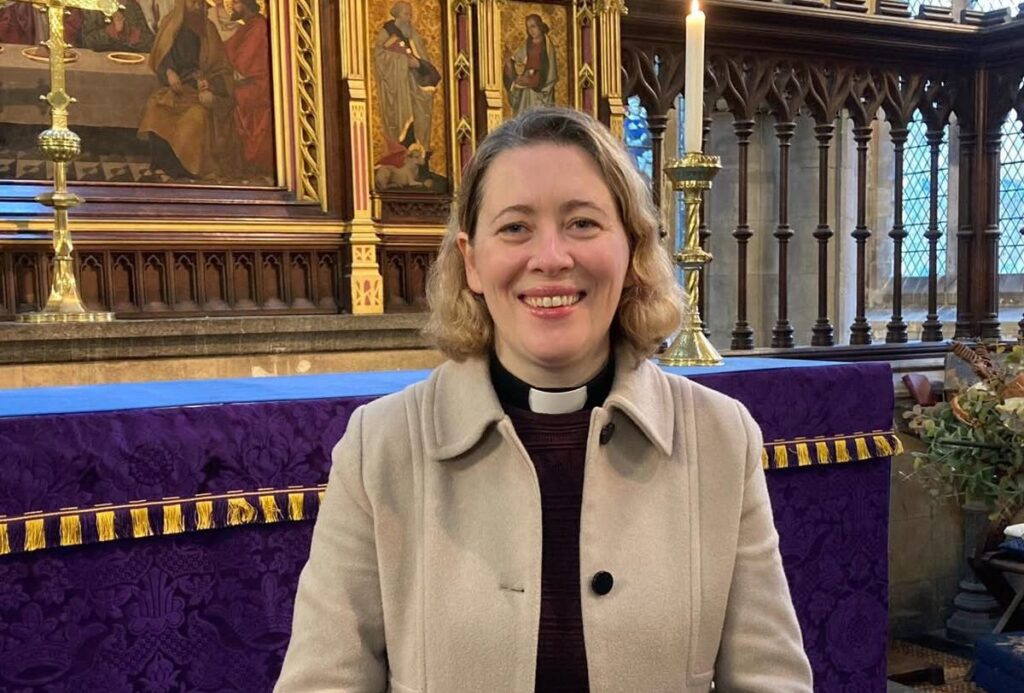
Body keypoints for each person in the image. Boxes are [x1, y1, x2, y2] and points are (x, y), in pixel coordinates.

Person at [275, 107, 813, 692]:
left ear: (631, 250)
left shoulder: (718, 437)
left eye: (583, 223)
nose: (552, 257)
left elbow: (770, 681)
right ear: (472, 261)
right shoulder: (380, 447)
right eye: (515, 227)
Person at [137, 0, 237, 180]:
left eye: (201, 3)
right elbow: (160, 58)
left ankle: (187, 169)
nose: (198, 7)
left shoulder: (210, 31)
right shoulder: (170, 23)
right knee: (155, 107)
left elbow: (222, 69)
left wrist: (208, 85)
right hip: (176, 89)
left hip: (199, 91)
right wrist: (168, 71)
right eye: (193, 3)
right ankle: (165, 163)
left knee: (196, 116)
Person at [372, 1, 440, 177]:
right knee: (402, 122)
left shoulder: (413, 34)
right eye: (405, 14)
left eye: (410, 14)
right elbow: (379, 55)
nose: (409, 18)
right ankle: (400, 161)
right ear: (397, 15)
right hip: (397, 87)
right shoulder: (387, 32)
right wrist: (402, 63)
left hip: (415, 86)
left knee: (421, 119)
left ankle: (420, 163)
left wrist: (417, 64)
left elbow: (423, 58)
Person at [223, 0, 273, 175]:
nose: (231, 6)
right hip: (247, 83)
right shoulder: (249, 25)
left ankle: (234, 162)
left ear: (247, 4)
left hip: (256, 88)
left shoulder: (257, 26)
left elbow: (242, 62)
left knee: (219, 98)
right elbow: (227, 49)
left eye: (235, 2)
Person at [503, 14, 558, 117]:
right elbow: (516, 59)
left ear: (540, 26)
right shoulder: (528, 43)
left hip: (540, 88)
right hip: (526, 84)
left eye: (533, 26)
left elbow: (550, 73)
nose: (531, 30)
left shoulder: (548, 46)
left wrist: (533, 81)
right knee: (523, 115)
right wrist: (509, 62)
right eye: (528, 28)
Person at [81, 0, 155, 53]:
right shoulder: (92, 8)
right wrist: (110, 32)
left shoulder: (133, 6)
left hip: (132, 65)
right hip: (99, 65)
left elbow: (151, 44)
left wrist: (137, 39)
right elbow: (86, 43)